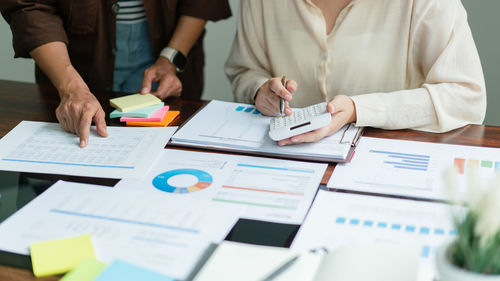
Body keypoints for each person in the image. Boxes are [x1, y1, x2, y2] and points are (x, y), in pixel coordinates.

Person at [225, 0, 486, 146]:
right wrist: (259, 91)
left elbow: (466, 97)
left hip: (383, 162)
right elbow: (244, 71)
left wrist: (358, 109)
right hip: (283, 162)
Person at [1, 0, 231, 147]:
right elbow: (30, 7)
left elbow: (201, 3)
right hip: (72, 71)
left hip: (167, 76)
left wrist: (170, 60)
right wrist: (71, 88)